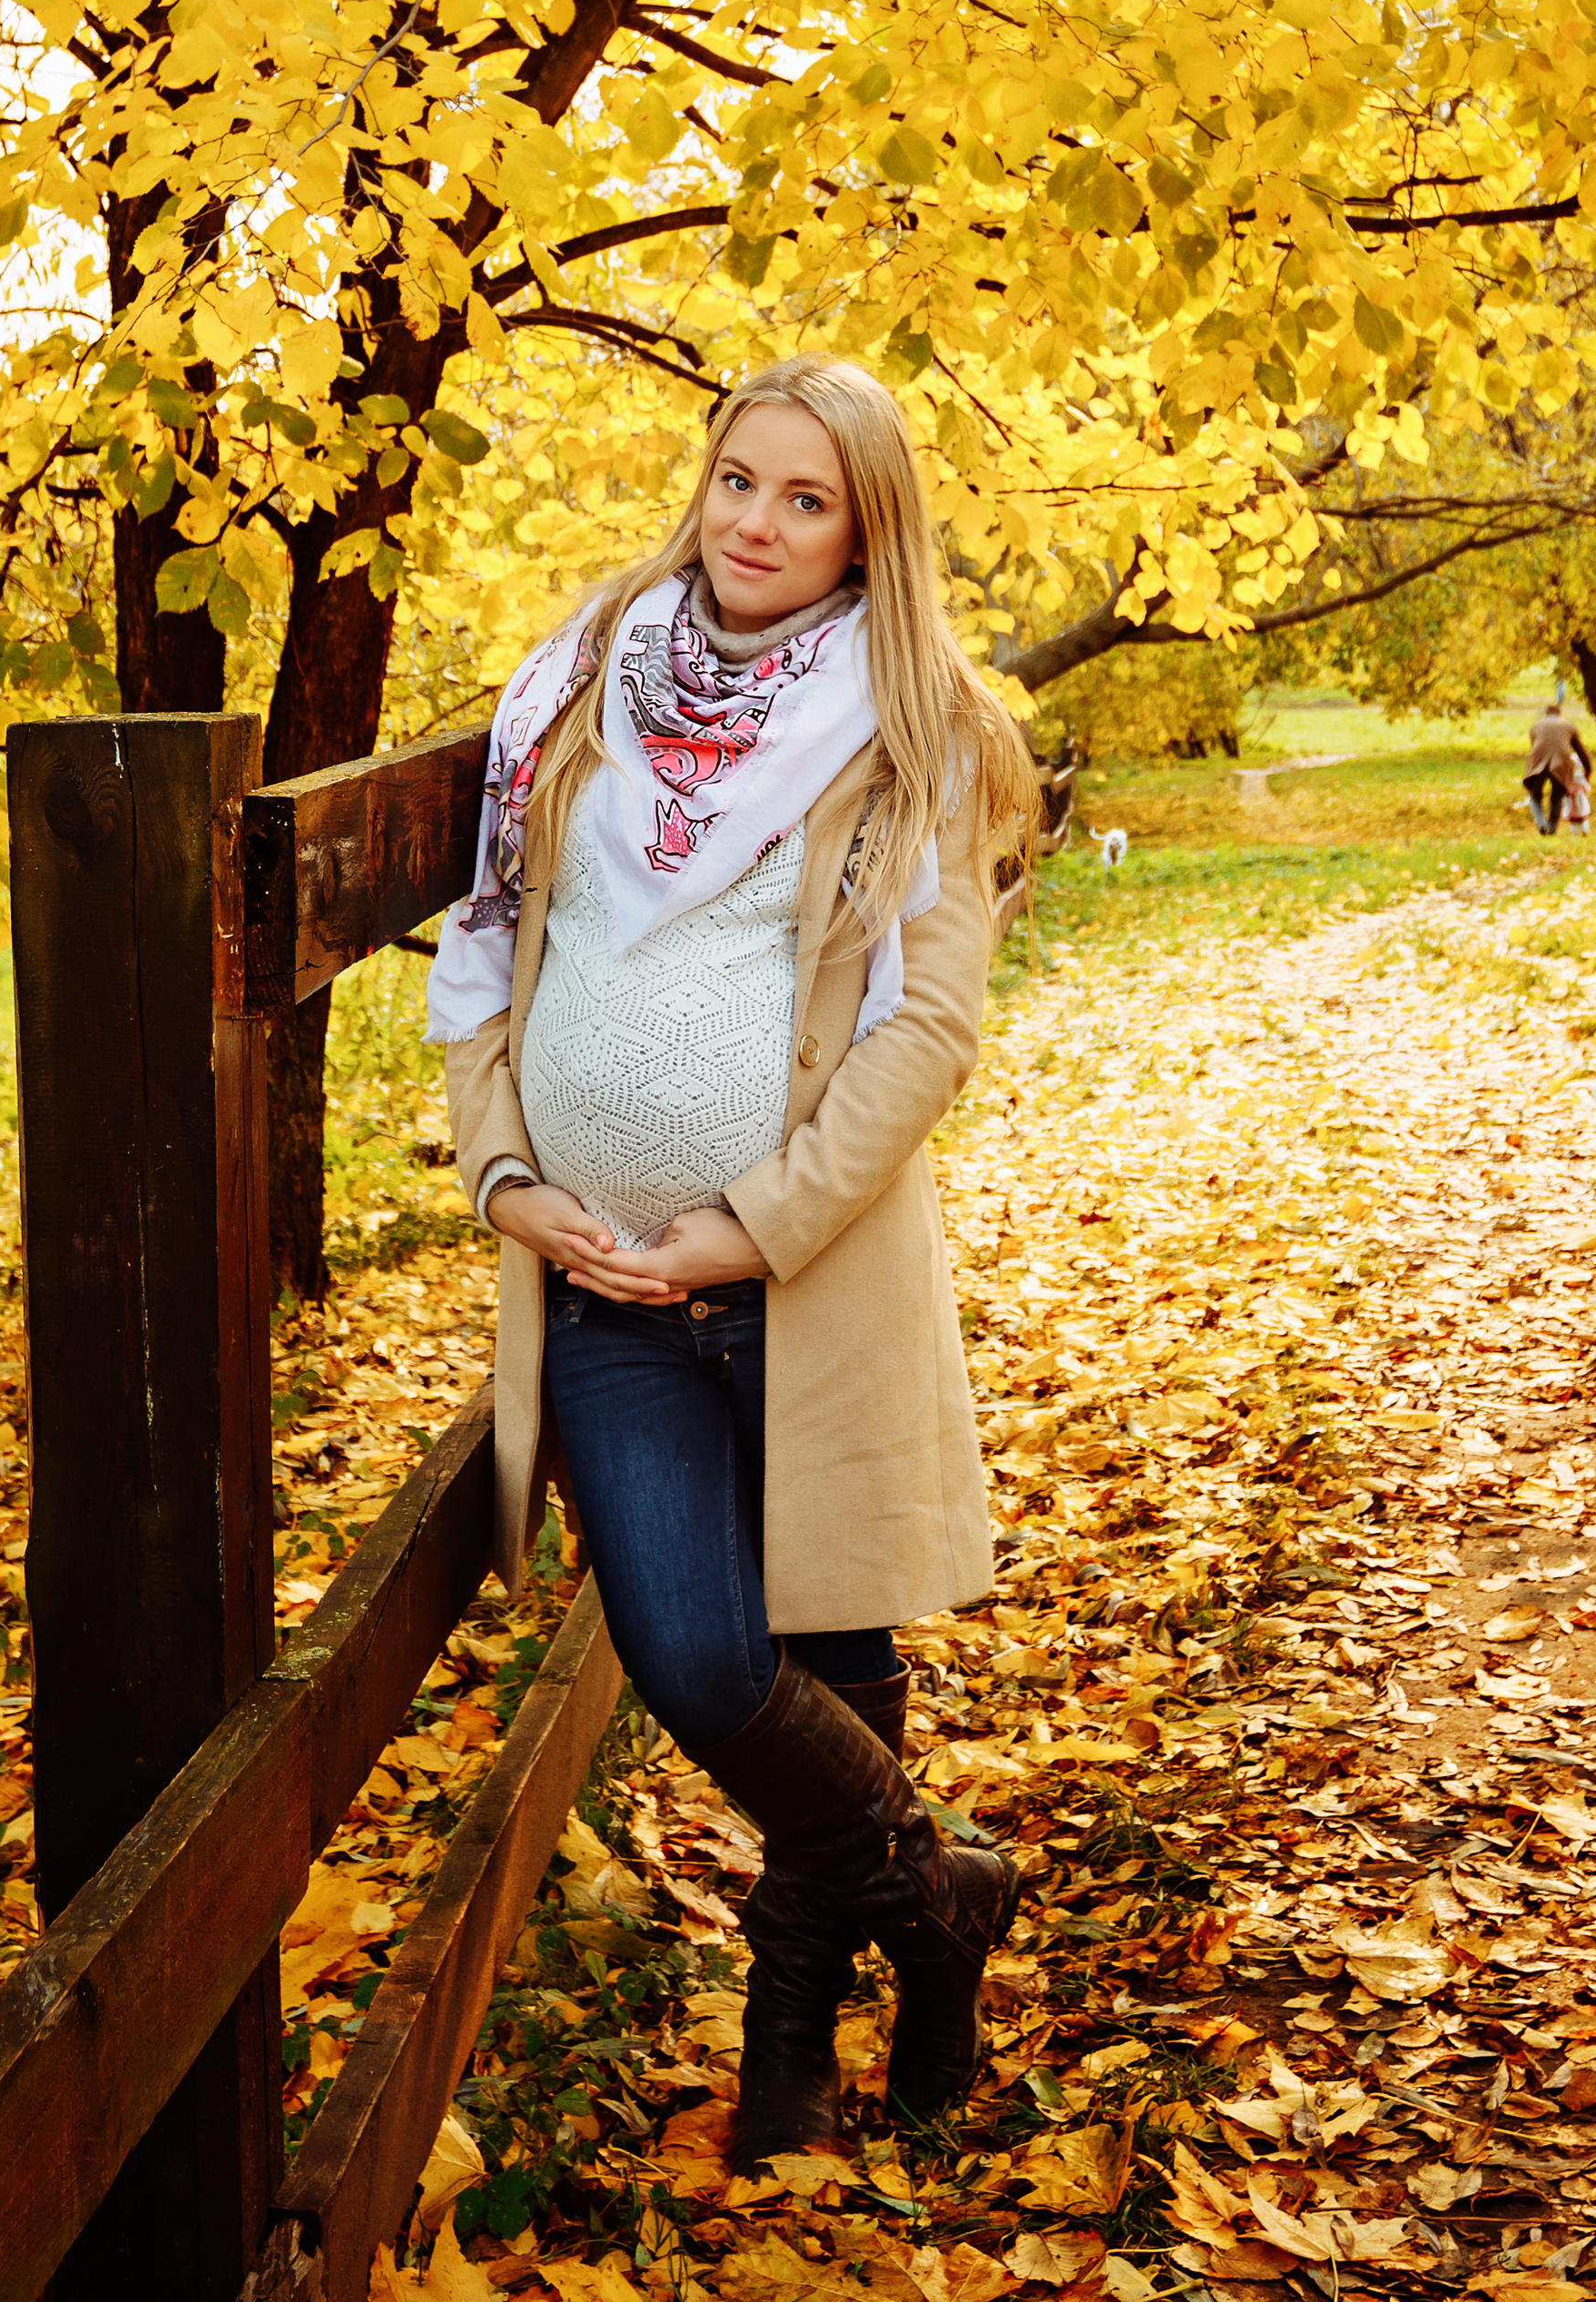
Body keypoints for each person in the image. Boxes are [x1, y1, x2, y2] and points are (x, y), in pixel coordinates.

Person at [427, 356, 1036, 2165]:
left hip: (803, 1273)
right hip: (603, 1281)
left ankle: (789, 2069)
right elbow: (484, 951)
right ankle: (941, 1895)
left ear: (866, 532)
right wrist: (501, 1175)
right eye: (735, 482)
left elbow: (925, 1033)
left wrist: (752, 1224)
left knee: (831, 1663)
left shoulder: (909, 723)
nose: (753, 526)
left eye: (804, 500)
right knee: (697, 1661)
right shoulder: (576, 682)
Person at [1524, 689, 1593, 836]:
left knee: (1535, 796)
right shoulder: (1569, 726)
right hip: (1561, 763)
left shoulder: (1535, 726)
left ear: (1546, 714)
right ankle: (1551, 829)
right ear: (1559, 714)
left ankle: (1541, 823)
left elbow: (1535, 746)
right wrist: (1588, 770)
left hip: (1538, 762)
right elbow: (1581, 752)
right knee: (1557, 798)